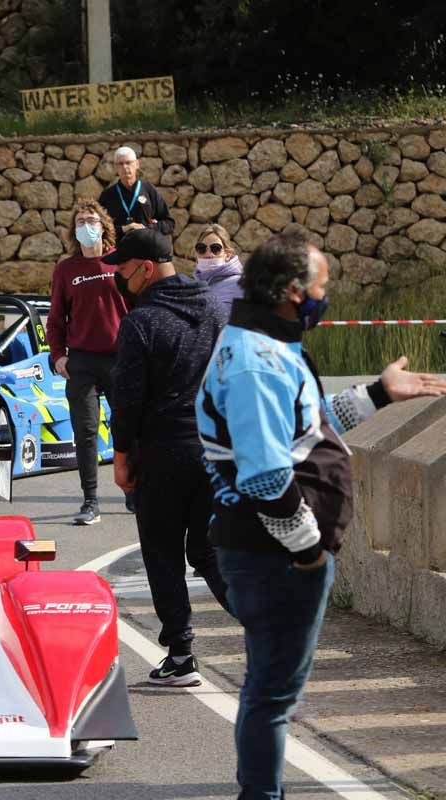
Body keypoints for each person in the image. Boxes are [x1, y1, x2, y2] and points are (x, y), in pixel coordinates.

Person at [196, 230, 446, 800]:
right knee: (272, 695)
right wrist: (308, 551)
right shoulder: (255, 362)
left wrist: (380, 394)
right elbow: (264, 474)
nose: (325, 295)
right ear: (291, 290)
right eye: (322, 284)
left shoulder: (267, 344)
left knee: (269, 688)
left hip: (270, 553)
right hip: (275, 556)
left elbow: (306, 429)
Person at [105, 229, 232, 687]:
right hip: (217, 451)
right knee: (208, 549)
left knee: (162, 553)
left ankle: (180, 655)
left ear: (144, 268)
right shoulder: (217, 311)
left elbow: (128, 399)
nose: (118, 275)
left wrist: (122, 457)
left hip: (162, 452)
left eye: (122, 267)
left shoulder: (142, 322)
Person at [45, 198, 130, 525]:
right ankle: (90, 501)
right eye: (80, 221)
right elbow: (55, 320)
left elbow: (137, 308)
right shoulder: (66, 269)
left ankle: (132, 490)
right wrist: (58, 356)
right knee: (86, 432)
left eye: (92, 220)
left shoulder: (119, 262)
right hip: (81, 362)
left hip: (121, 359)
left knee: (128, 427)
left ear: (104, 225)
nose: (86, 226)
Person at [98, 146, 175, 242]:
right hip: (119, 252)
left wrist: (147, 228)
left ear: (137, 164)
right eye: (120, 164)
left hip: (148, 249)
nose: (125, 167)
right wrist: (123, 229)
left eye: (128, 163)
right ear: (115, 167)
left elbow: (169, 223)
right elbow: (99, 228)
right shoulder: (107, 195)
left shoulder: (148, 190)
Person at [193, 223, 244, 313]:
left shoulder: (241, 284)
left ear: (228, 254)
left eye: (216, 248)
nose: (208, 254)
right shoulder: (192, 288)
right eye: (201, 248)